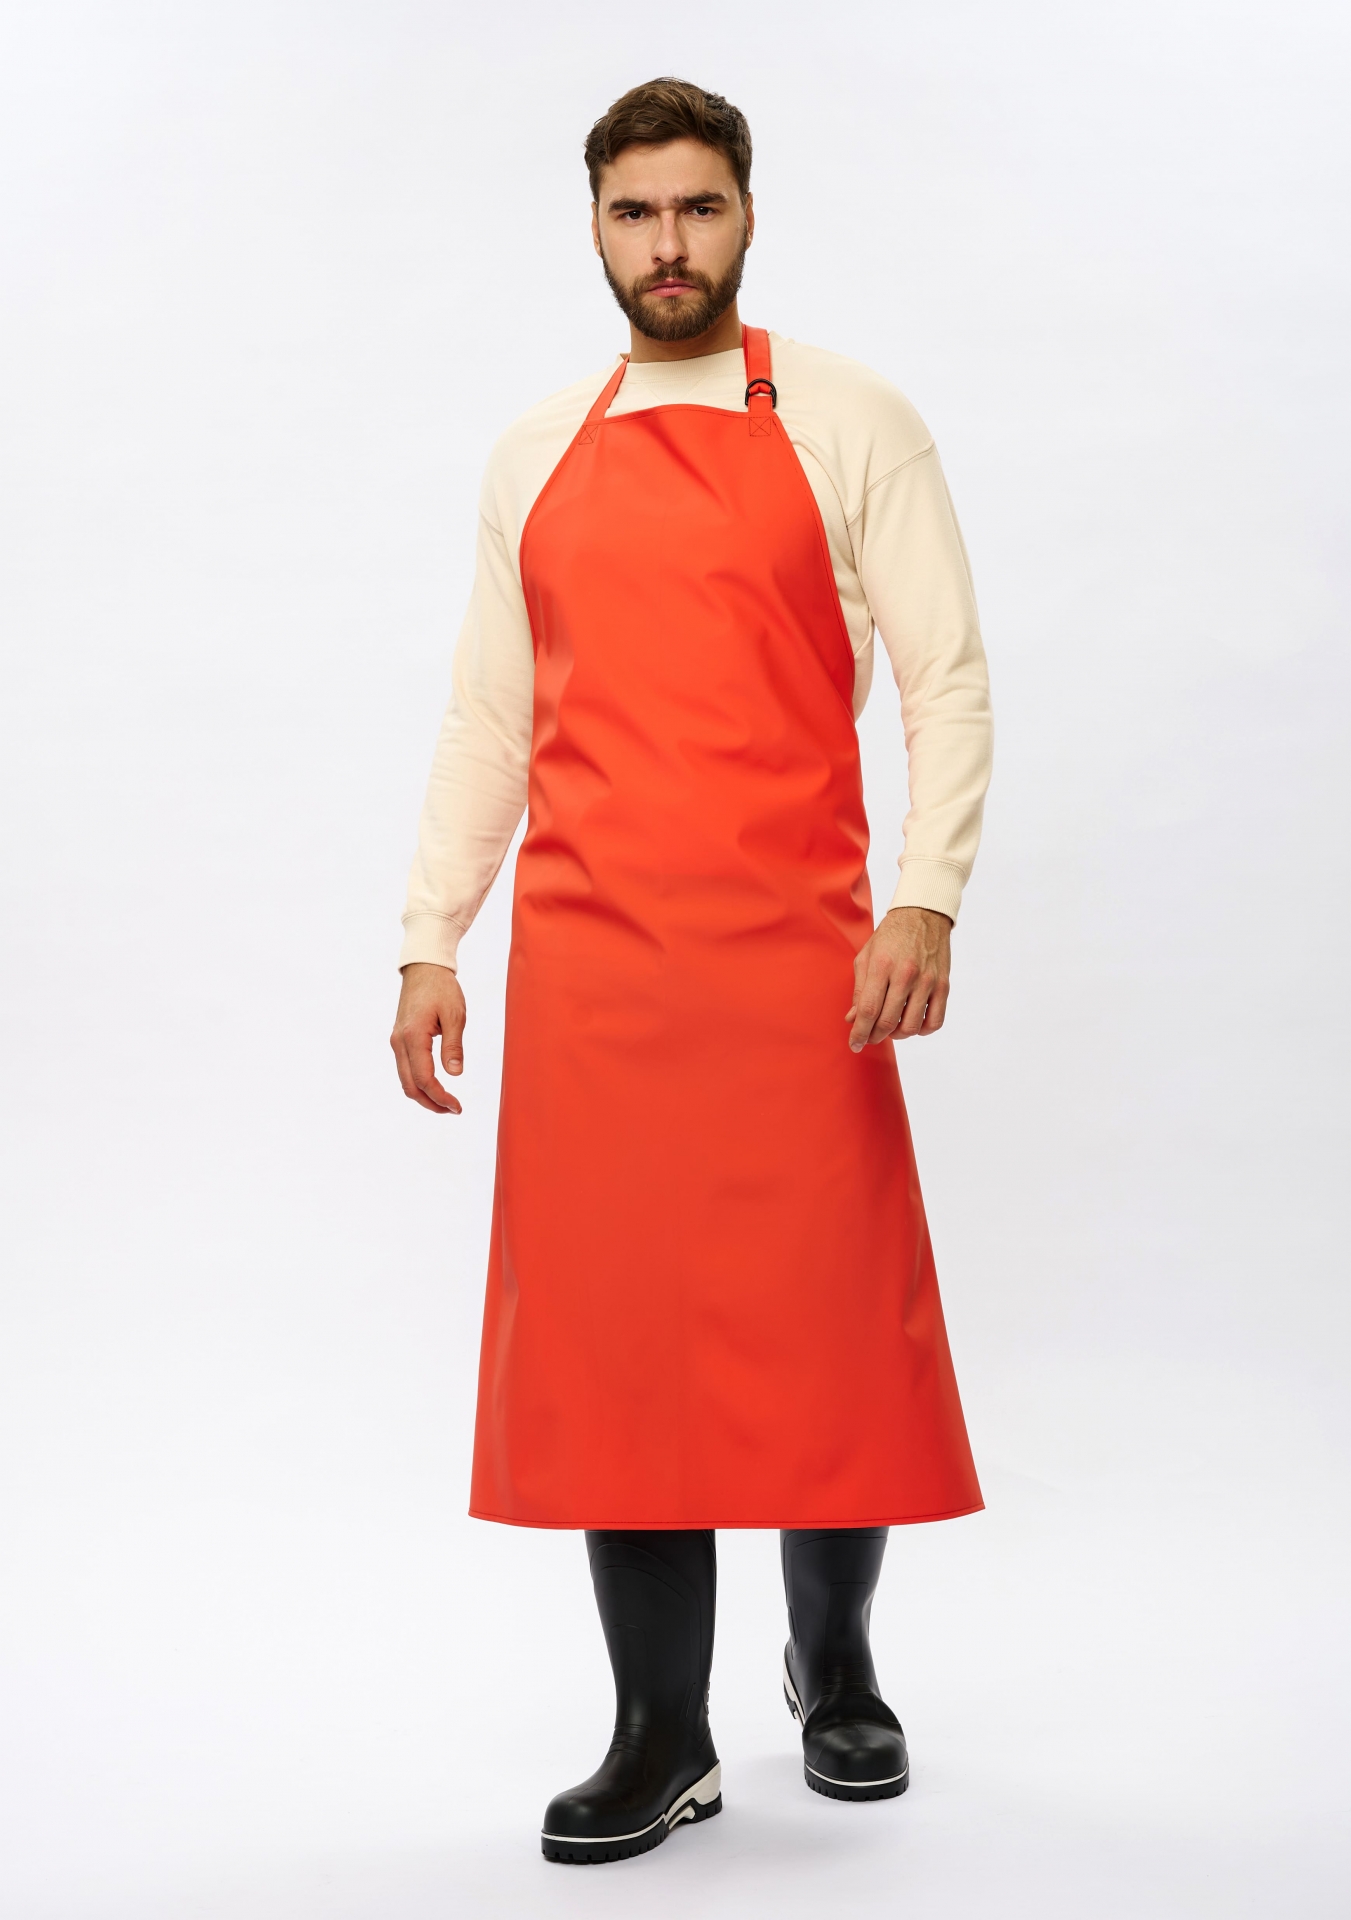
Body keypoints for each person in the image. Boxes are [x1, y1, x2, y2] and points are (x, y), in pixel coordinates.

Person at [390, 76, 992, 1866]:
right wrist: (430, 936)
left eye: (699, 207)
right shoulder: (534, 453)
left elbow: (948, 675)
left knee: (821, 1325)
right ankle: (661, 1732)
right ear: (594, 226)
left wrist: (926, 899)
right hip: (596, 975)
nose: (670, 244)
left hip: (803, 958)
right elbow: (490, 718)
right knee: (621, 1351)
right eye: (637, 212)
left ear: (746, 214)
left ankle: (837, 1665)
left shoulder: (853, 419)